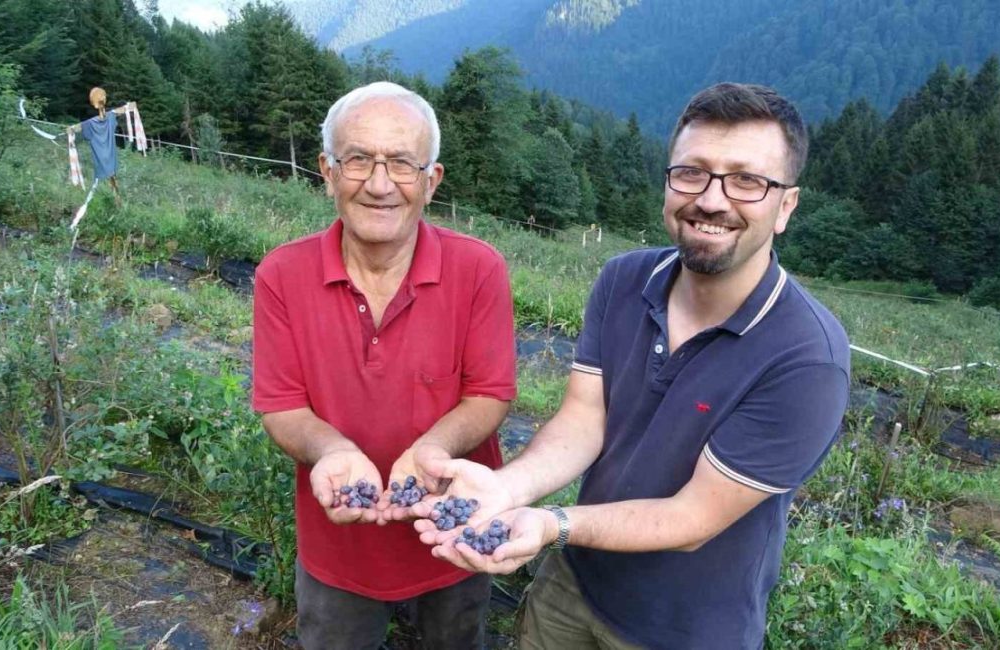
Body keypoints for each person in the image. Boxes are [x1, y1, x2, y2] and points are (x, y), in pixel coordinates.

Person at [414, 82, 850, 649]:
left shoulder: (806, 357)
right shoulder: (623, 280)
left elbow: (692, 521)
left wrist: (554, 525)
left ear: (785, 205)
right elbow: (583, 422)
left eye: (747, 180)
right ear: (669, 182)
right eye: (692, 172)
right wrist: (505, 489)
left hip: (683, 628)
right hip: (573, 586)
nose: (712, 200)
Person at [251, 81, 517, 649]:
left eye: (400, 163)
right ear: (327, 172)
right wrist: (333, 450)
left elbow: (489, 393)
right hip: (338, 543)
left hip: (455, 528)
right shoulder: (282, 274)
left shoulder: (479, 269)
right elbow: (282, 405)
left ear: (430, 181)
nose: (378, 184)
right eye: (357, 160)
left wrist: (429, 452)